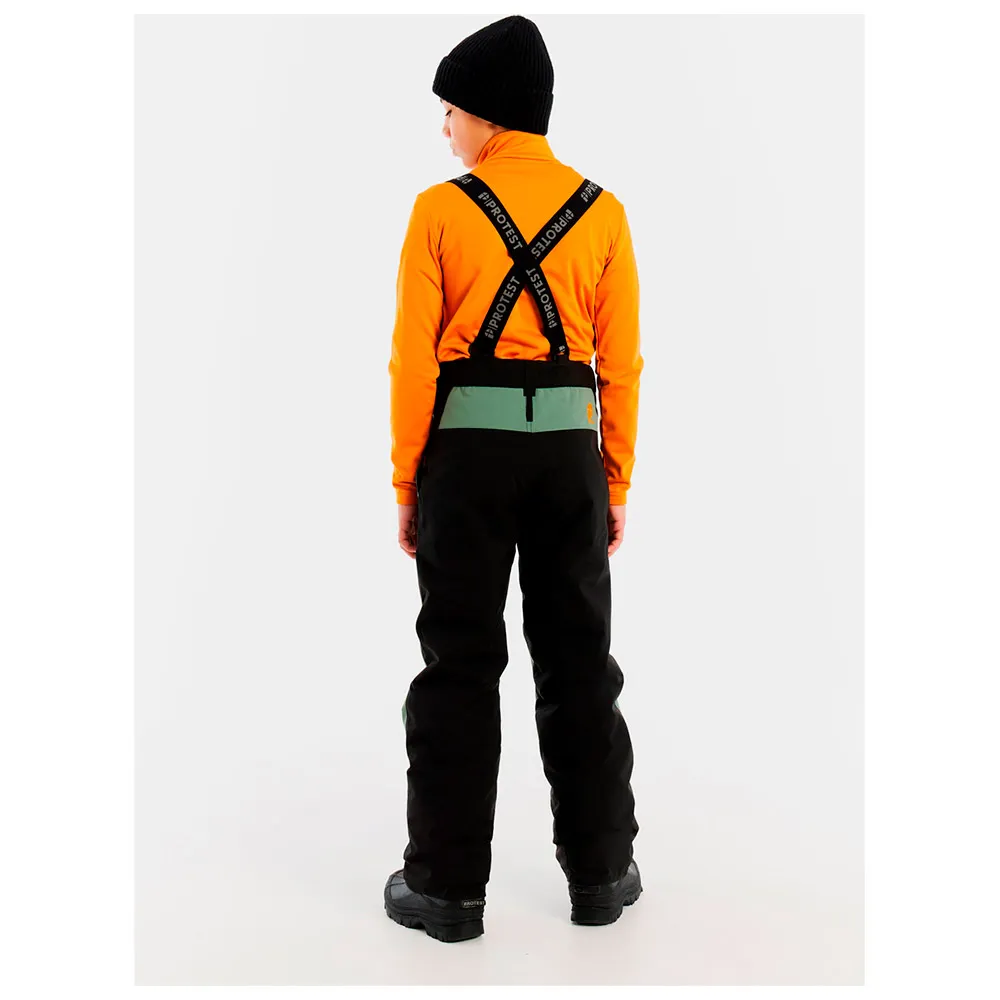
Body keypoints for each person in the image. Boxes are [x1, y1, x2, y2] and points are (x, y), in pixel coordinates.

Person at [384, 14, 643, 943]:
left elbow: (413, 363)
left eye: (451, 111)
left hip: (467, 459)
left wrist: (407, 482)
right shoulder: (603, 212)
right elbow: (621, 363)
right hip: (570, 456)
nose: (445, 128)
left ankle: (447, 889)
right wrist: (615, 481)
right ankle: (601, 873)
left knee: (459, 662)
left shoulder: (439, 210)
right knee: (578, 660)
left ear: (488, 116)